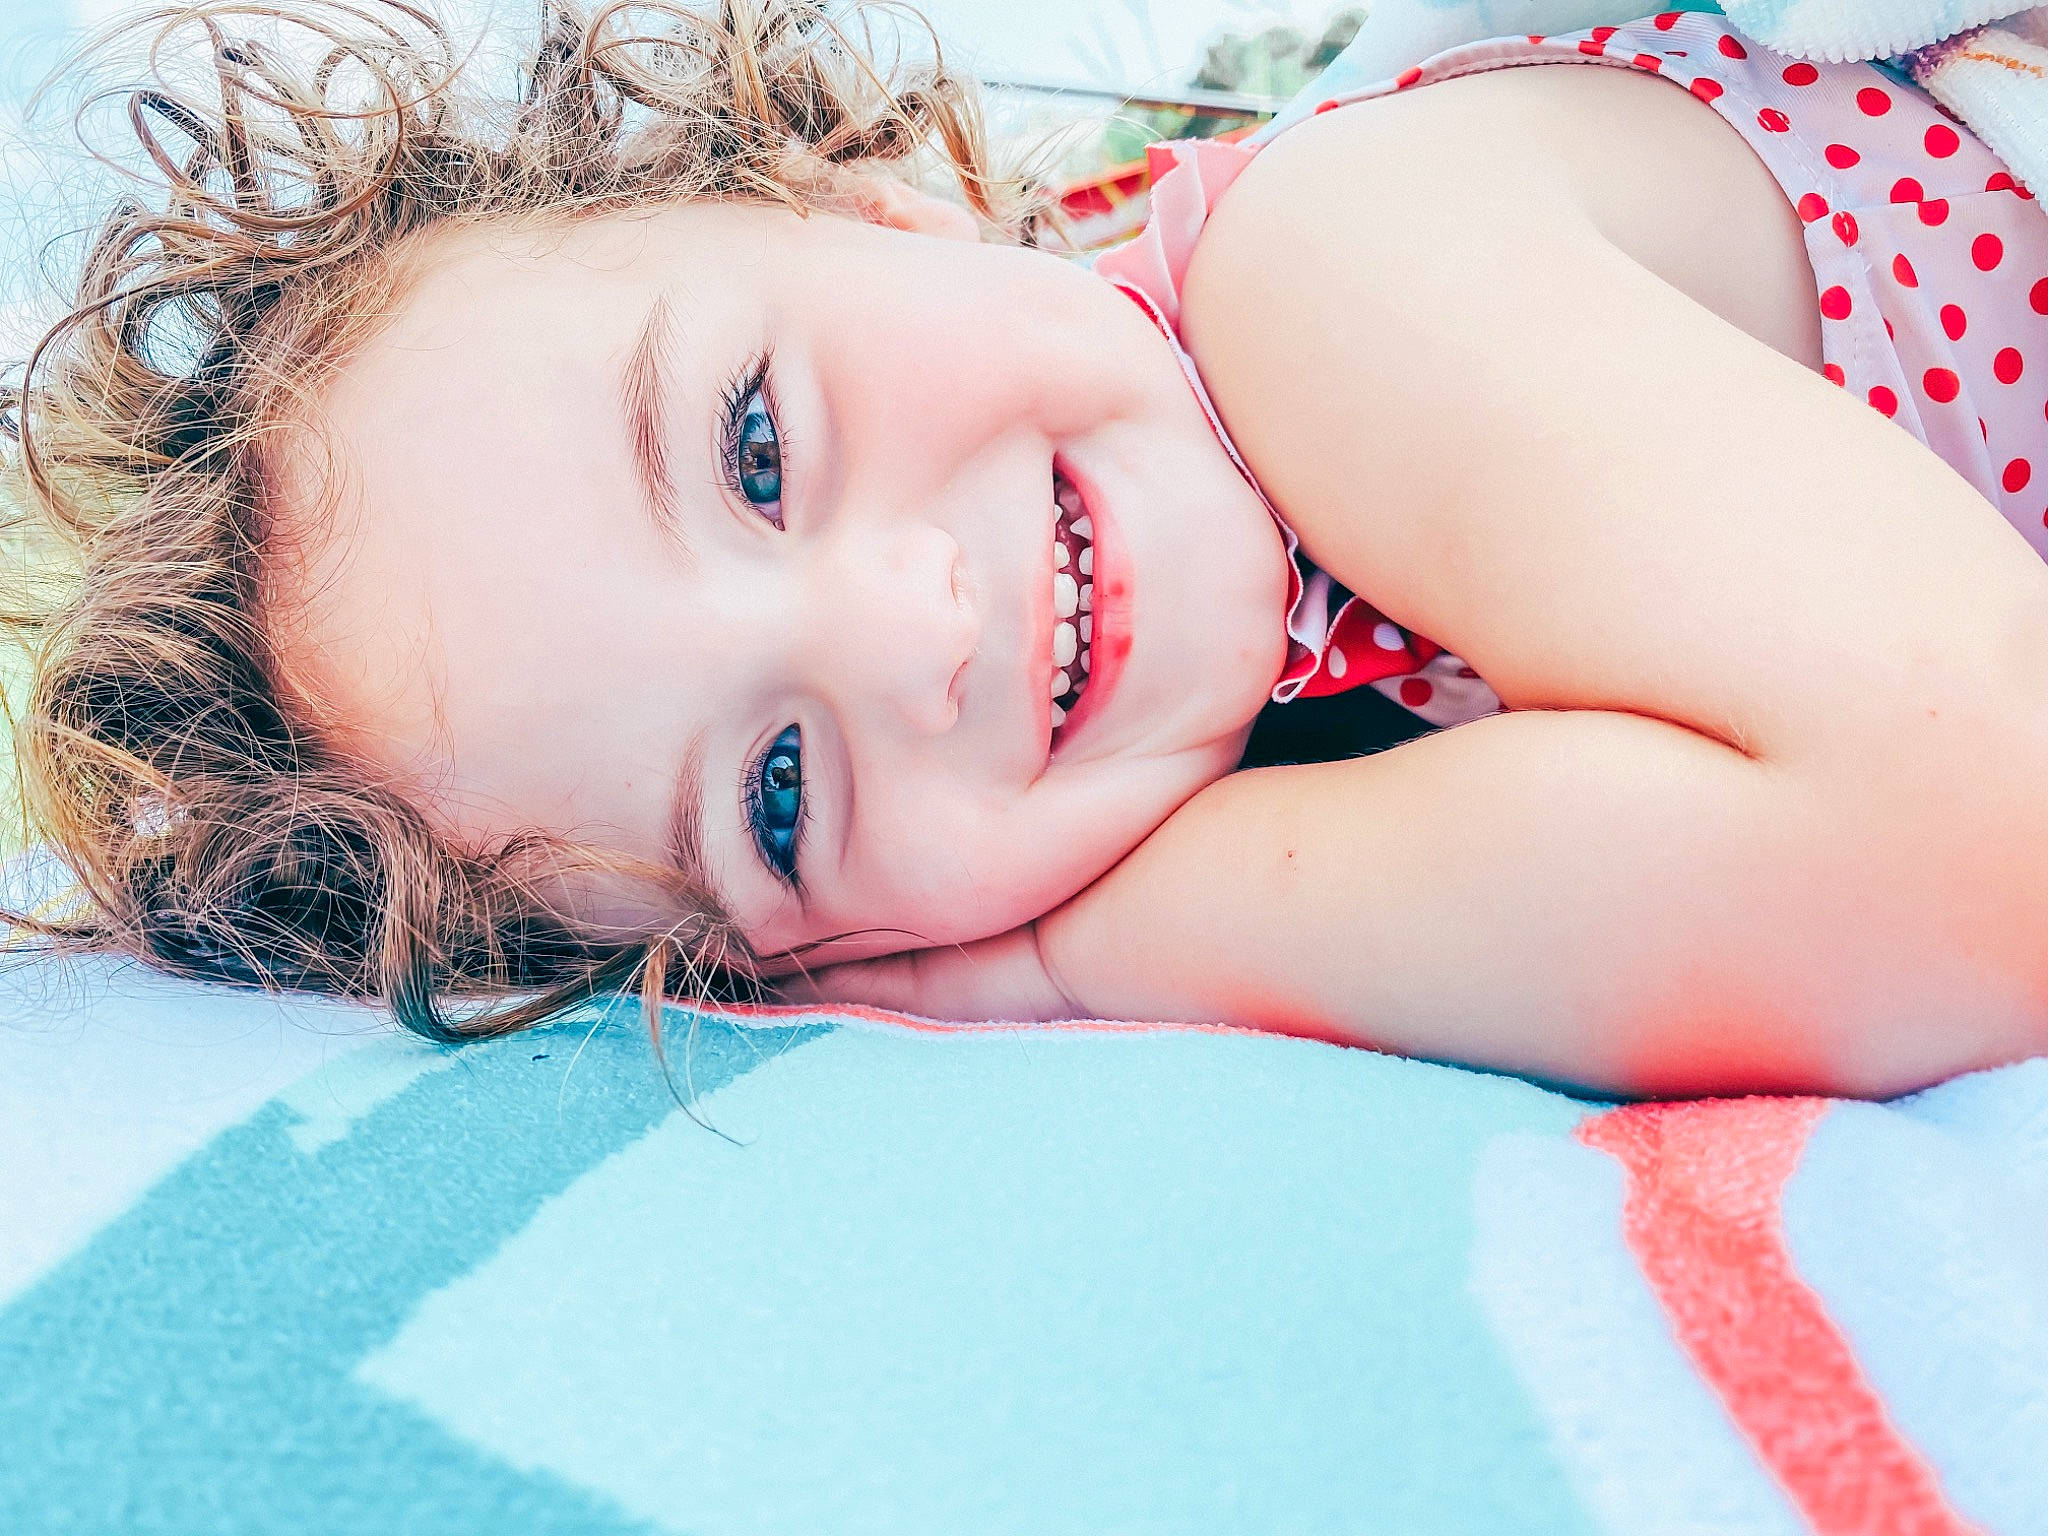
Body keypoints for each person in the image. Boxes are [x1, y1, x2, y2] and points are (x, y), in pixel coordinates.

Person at [8, 0, 2048, 1098]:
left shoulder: (1336, 271)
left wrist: (1081, 951)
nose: (909, 629)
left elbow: (1981, 849)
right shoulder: (1289, 706)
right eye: (782, 791)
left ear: (869, 202)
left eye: (754, 446)